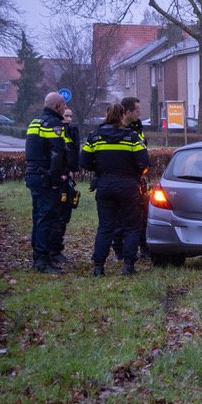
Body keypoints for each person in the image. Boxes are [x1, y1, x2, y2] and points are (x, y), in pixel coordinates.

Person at [82, 103, 150, 275]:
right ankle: (128, 265)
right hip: (128, 187)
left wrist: (100, 170)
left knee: (105, 226)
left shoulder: (94, 137)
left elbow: (84, 162)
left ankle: (98, 267)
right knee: (132, 226)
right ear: (122, 116)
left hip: (104, 185)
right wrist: (134, 173)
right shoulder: (132, 137)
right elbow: (144, 163)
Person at [24, 92, 70, 274]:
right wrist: (55, 179)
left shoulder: (35, 122)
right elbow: (57, 153)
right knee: (47, 217)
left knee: (38, 216)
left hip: (33, 174)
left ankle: (38, 255)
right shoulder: (53, 124)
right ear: (57, 106)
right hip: (45, 176)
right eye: (64, 105)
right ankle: (42, 260)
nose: (65, 109)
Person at [111, 97, 150, 261]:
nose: (139, 114)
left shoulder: (137, 127)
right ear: (127, 112)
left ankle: (144, 249)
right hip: (123, 180)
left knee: (142, 215)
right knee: (120, 219)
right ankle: (119, 252)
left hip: (137, 179)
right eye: (137, 111)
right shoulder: (117, 129)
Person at [47, 106, 81, 266]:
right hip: (60, 178)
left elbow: (74, 156)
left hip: (68, 179)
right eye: (66, 116)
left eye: (71, 116)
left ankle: (57, 248)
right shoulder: (56, 131)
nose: (69, 119)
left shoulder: (71, 132)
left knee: (65, 214)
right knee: (58, 216)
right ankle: (54, 250)